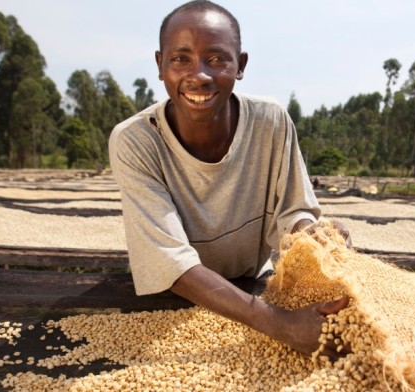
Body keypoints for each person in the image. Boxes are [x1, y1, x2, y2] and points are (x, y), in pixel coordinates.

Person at [108, 0, 349, 360]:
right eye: (181, 59)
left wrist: (311, 236)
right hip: (173, 300)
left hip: (250, 283)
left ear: (241, 66)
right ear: (160, 65)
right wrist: (281, 324)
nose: (199, 75)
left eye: (217, 59)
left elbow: (293, 210)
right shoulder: (136, 140)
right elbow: (170, 261)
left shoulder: (271, 122)